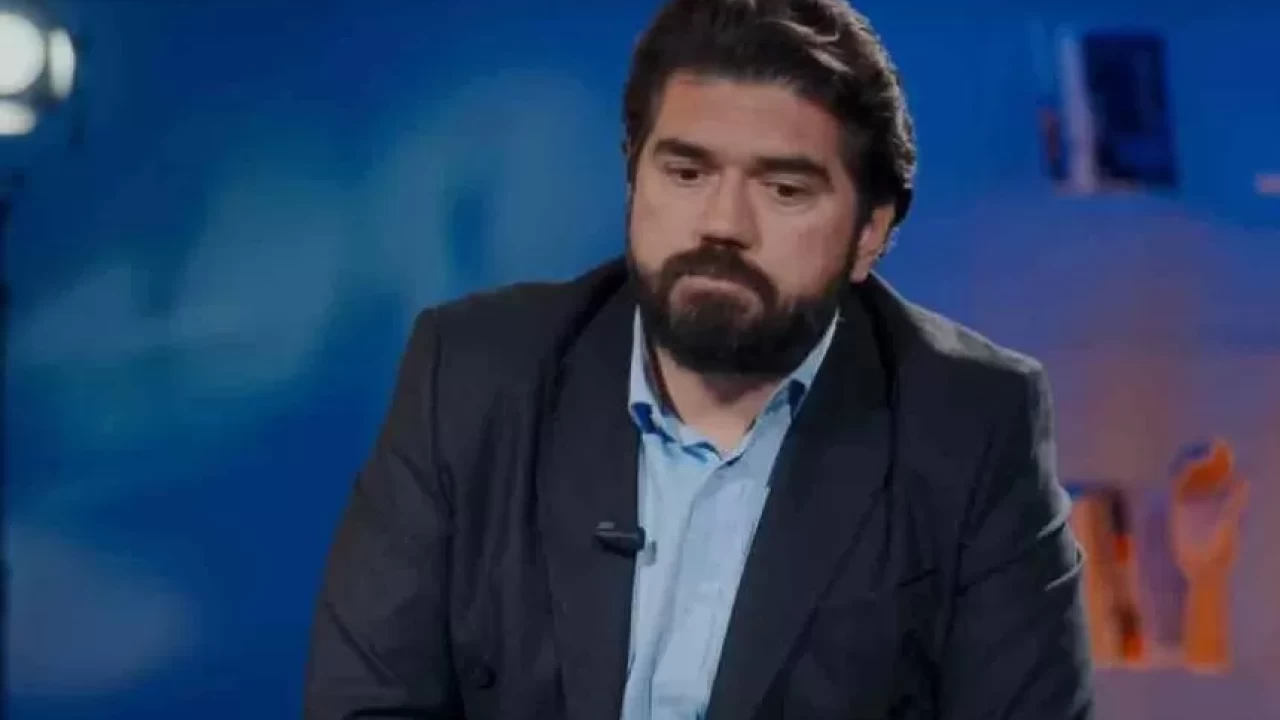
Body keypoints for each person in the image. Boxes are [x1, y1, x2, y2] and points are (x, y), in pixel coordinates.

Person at [303, 0, 1095, 718]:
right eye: (686, 173)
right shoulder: (475, 374)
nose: (722, 223)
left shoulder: (970, 424)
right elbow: (365, 706)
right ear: (633, 176)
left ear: (871, 233)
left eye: (784, 190)